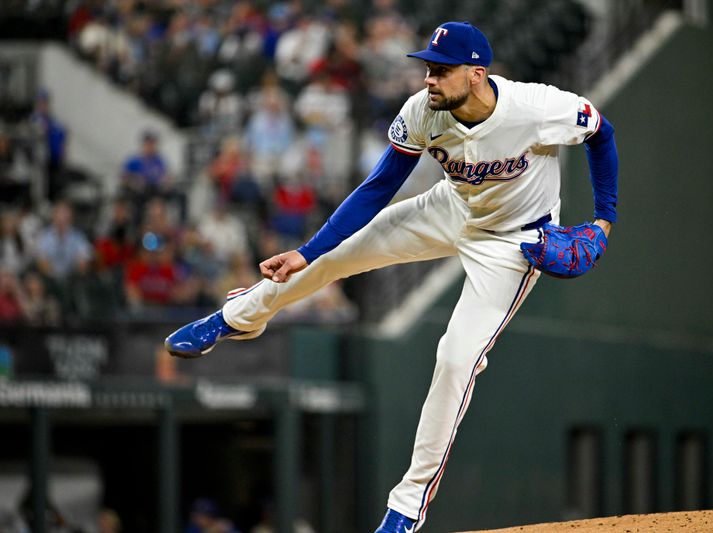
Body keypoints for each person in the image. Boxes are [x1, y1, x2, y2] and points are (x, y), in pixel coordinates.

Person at [166, 21, 618, 532]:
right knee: (328, 260)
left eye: (441, 70)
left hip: (514, 242)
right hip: (448, 208)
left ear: (476, 73)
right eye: (427, 67)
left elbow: (601, 131)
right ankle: (237, 317)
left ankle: (406, 508)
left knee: (455, 359)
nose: (429, 78)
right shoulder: (423, 111)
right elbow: (378, 187)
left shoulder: (536, 108)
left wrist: (604, 219)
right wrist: (309, 250)